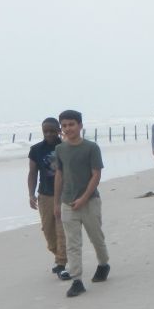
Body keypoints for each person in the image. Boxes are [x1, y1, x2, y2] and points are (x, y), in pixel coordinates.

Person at [53, 109, 110, 297]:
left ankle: (103, 264)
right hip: (67, 202)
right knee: (72, 243)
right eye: (64, 126)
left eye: (71, 125)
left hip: (89, 201)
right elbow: (59, 175)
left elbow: (96, 174)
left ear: (80, 126)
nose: (68, 128)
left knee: (96, 237)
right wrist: (57, 202)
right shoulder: (60, 149)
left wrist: (84, 198)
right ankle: (77, 280)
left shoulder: (91, 148)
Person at [27, 117, 67, 277]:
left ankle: (62, 264)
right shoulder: (36, 150)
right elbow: (32, 173)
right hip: (45, 195)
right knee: (48, 232)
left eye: (52, 130)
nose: (49, 134)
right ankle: (59, 256)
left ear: (59, 130)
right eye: (46, 131)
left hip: (65, 195)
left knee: (62, 231)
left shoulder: (66, 147)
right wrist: (31, 193)